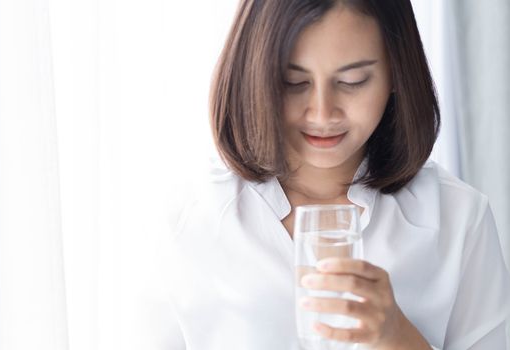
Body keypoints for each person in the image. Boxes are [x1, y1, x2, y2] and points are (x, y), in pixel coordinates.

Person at [144, 0, 510, 349]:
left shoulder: (459, 220)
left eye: (352, 81)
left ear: (396, 74)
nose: (322, 113)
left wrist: (399, 338)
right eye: (294, 82)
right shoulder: (190, 220)